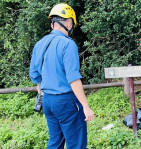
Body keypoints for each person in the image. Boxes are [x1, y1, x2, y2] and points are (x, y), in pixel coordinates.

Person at [29, 3, 94, 149]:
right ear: (70, 23)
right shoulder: (68, 44)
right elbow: (73, 77)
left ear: (53, 24)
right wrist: (85, 106)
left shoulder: (39, 44)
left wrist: (42, 92)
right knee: (76, 144)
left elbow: (34, 75)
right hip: (66, 101)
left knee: (55, 142)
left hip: (47, 101)